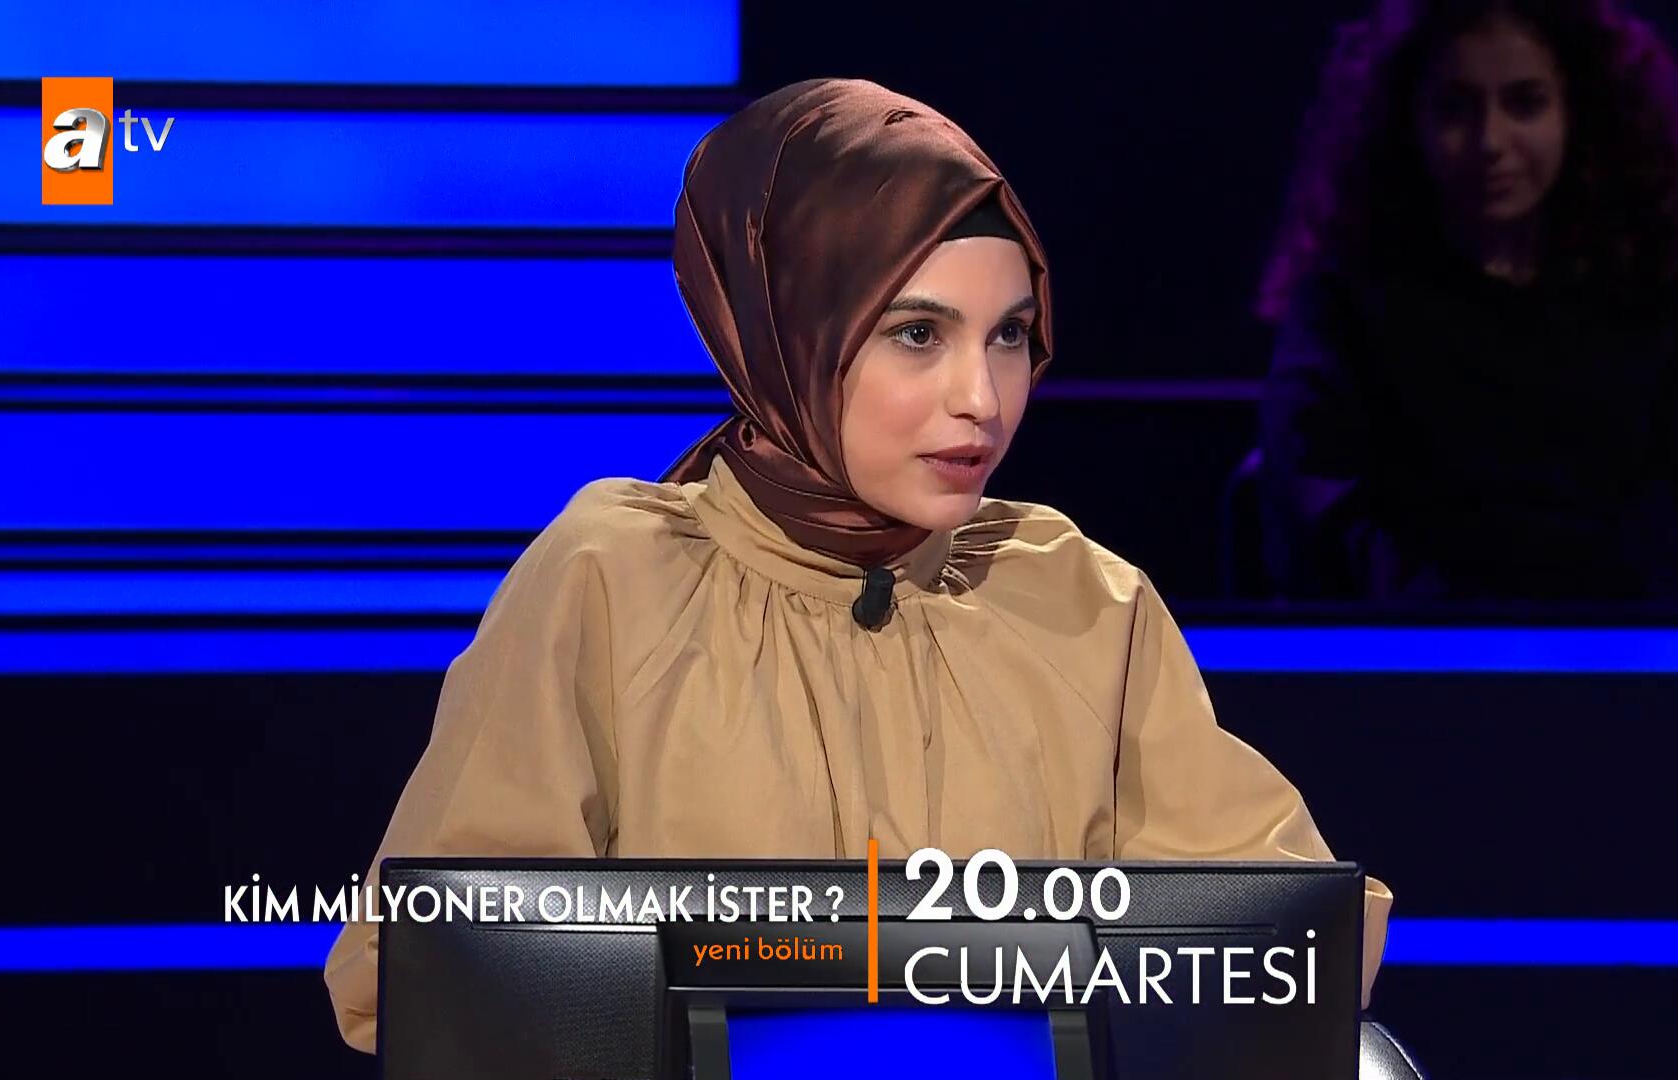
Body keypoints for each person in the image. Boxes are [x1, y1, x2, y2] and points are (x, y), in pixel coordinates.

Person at [324, 77, 1392, 1053]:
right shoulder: (609, 580)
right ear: (787, 330)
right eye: (919, 334)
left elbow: (1286, 952)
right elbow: (434, 971)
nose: (982, 398)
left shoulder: (1078, 596)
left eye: (1010, 336)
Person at [1256, 0, 1678, 603]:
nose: (1489, 141)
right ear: (1407, 120)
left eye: (1525, 103)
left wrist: (1579, 629)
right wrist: (1463, 628)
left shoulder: (1669, 301)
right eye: (1455, 108)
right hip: (1412, 648)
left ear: (1580, 111)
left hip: (1622, 648)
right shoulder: (1343, 307)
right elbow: (1322, 524)